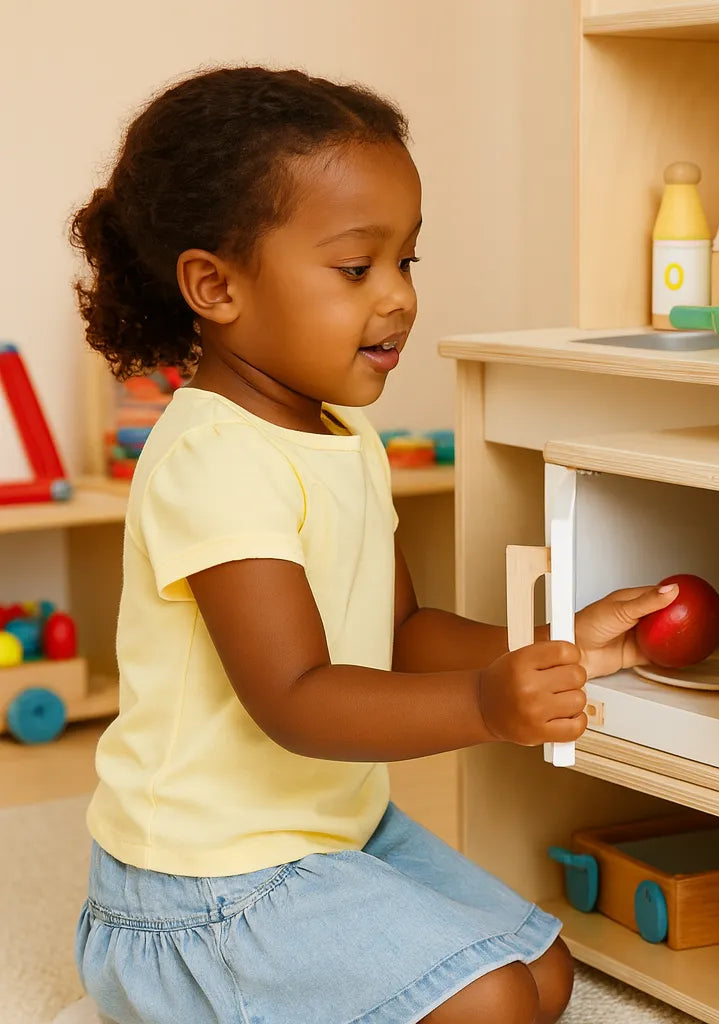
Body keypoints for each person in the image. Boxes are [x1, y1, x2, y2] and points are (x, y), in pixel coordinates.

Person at [69, 66, 679, 1024]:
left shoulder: (342, 436)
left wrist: (560, 645)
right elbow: (297, 700)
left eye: (408, 262)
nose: (398, 298)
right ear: (214, 286)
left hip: (330, 833)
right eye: (358, 268)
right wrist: (489, 705)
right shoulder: (213, 459)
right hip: (203, 888)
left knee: (545, 976)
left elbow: (398, 635)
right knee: (489, 1007)